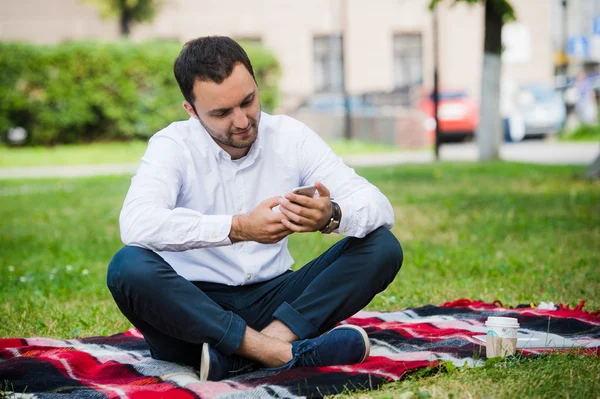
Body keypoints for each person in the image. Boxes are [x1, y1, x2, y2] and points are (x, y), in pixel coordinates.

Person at [107, 36, 403, 382]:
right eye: (221, 112)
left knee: (382, 246)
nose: (242, 120)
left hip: (277, 303)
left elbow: (377, 205)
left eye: (248, 101)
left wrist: (331, 215)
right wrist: (238, 228)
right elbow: (137, 223)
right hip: (192, 312)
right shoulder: (173, 146)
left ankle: (247, 354)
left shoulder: (290, 137)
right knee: (127, 266)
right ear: (192, 110)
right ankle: (281, 354)